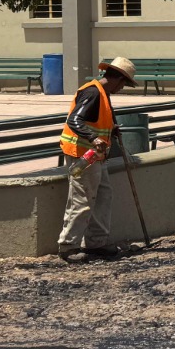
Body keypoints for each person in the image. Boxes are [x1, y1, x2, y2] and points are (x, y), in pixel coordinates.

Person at [57, 56, 137, 261]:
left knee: (103, 196)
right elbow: (75, 120)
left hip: (97, 156)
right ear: (118, 79)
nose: (122, 88)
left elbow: (97, 120)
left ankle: (97, 242)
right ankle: (68, 247)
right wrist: (93, 138)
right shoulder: (92, 92)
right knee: (82, 200)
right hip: (83, 155)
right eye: (124, 84)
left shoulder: (103, 93)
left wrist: (111, 129)